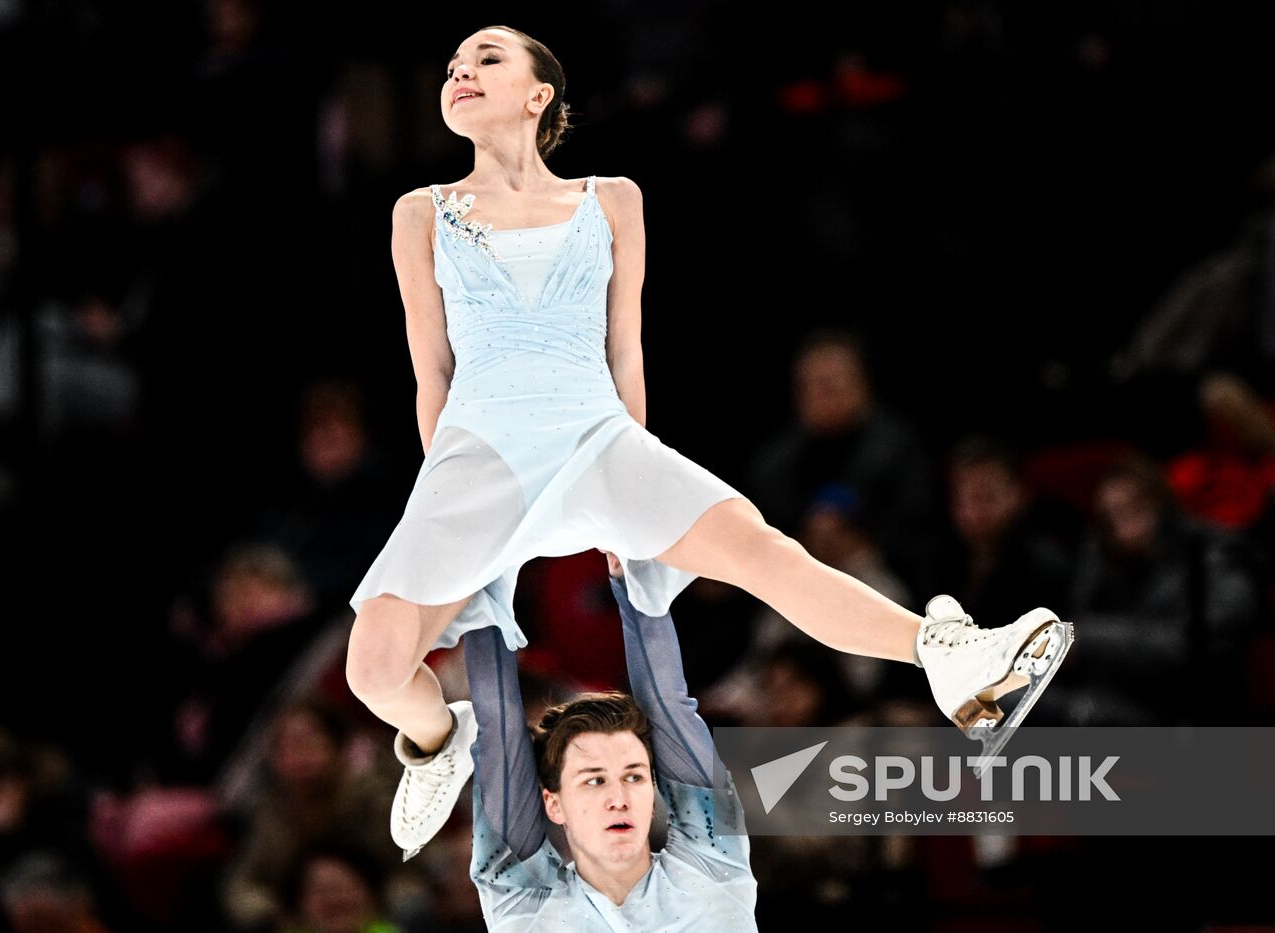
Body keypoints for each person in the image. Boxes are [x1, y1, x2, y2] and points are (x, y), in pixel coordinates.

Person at [342, 24, 1074, 861]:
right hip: (479, 451)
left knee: (764, 550)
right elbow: (429, 373)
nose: (460, 72)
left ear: (540, 93)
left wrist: (630, 492)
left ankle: (952, 655)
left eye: (486, 59)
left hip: (596, 436)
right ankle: (440, 740)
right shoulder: (421, 212)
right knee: (374, 669)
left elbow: (625, 352)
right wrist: (446, 494)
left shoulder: (612, 198)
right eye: (451, 67)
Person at [460, 550, 756, 930]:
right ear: (553, 804)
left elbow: (670, 709)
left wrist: (633, 579)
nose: (620, 799)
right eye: (594, 780)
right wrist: (633, 581)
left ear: (653, 793)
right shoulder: (526, 905)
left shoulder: (714, 867)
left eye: (633, 777)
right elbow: (499, 733)